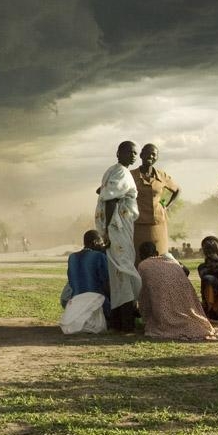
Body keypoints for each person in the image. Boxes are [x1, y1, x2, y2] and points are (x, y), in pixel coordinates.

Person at [137, 241, 218, 341]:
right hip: (189, 307)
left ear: (140, 256)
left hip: (168, 312)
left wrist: (144, 314)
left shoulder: (143, 265)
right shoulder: (171, 260)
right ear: (156, 253)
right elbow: (186, 271)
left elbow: (144, 295)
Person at [95, 141, 142, 331]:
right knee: (123, 270)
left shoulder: (113, 171)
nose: (134, 155)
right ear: (118, 153)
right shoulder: (121, 172)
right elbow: (110, 200)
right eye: (130, 152)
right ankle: (126, 321)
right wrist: (106, 231)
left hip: (120, 226)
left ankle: (119, 321)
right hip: (117, 228)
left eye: (135, 153)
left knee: (118, 272)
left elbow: (102, 192)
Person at [131, 143, 180, 262]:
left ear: (157, 158)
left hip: (158, 223)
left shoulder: (162, 176)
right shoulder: (131, 175)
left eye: (154, 154)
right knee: (138, 258)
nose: (151, 156)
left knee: (160, 257)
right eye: (147, 153)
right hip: (137, 224)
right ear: (141, 155)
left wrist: (167, 206)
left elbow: (177, 190)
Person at [59, 230, 109, 334]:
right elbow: (105, 282)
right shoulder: (99, 257)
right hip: (95, 301)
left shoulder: (72, 257)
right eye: (101, 242)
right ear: (95, 242)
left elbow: (72, 280)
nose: (102, 245)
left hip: (75, 302)